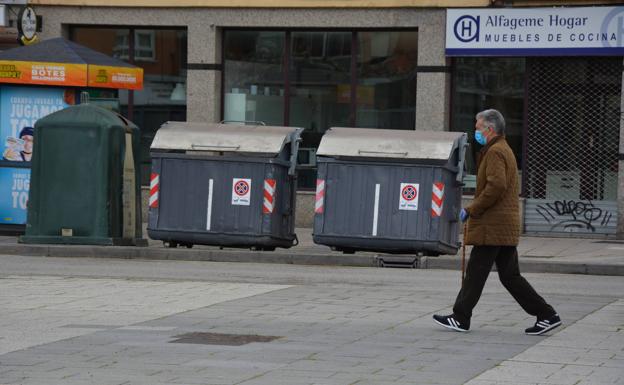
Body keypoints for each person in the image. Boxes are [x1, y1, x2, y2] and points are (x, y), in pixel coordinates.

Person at [433, 109, 561, 336]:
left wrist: (471, 209)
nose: (476, 131)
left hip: (493, 226)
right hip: (503, 225)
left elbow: (496, 186)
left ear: (489, 129)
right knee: (510, 276)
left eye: (478, 127)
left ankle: (461, 317)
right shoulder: (503, 149)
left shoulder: (494, 152)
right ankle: (546, 315)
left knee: (475, 272)